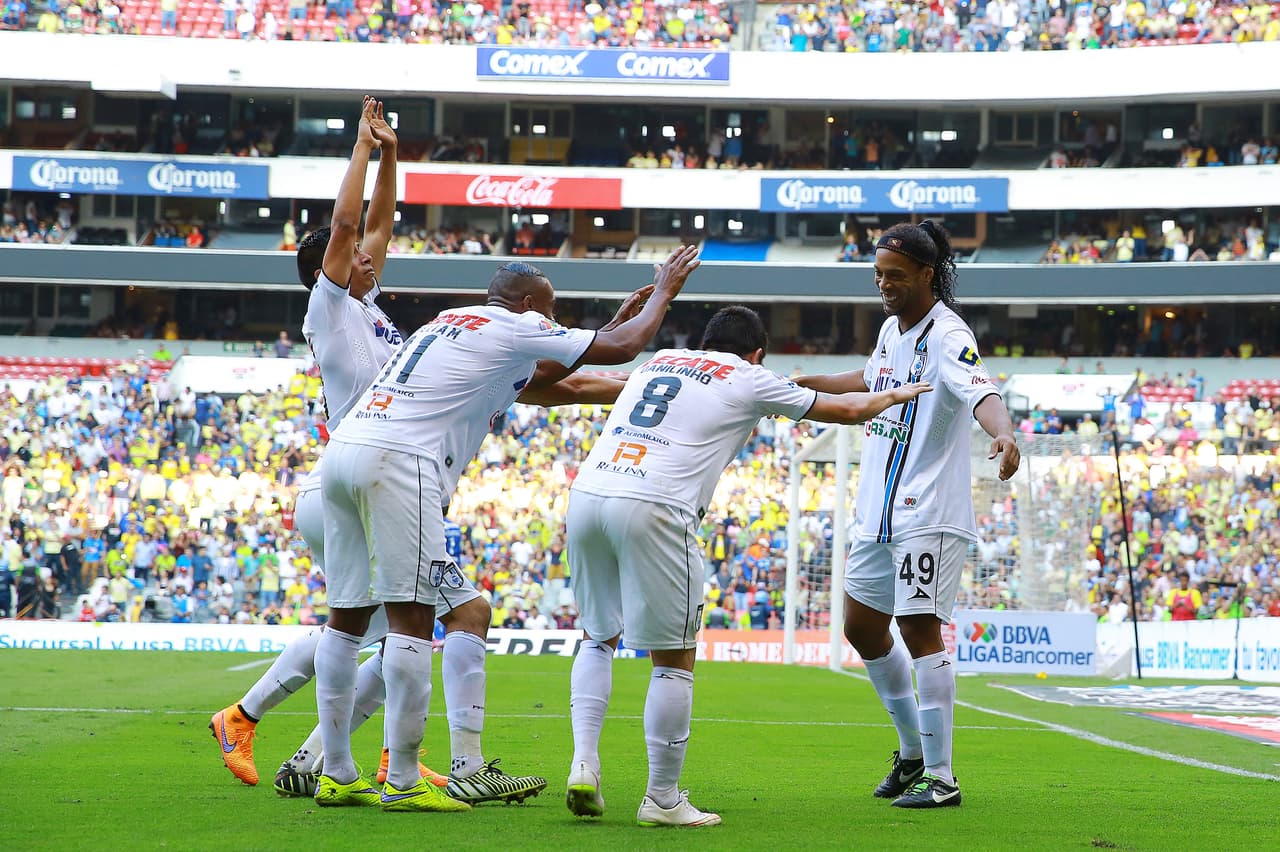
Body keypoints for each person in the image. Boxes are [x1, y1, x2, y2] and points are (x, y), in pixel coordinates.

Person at [211, 97, 544, 808]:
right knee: (449, 618)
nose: (368, 253)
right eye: (356, 252)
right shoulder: (330, 306)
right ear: (331, 266)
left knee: (363, 624)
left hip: (359, 482)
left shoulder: (372, 309)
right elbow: (348, 224)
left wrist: (394, 155)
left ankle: (302, 751)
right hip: (368, 480)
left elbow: (382, 222)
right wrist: (361, 150)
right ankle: (437, 765)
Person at [312, 240, 702, 812]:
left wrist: (613, 320)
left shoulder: (448, 324)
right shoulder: (514, 326)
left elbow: (543, 378)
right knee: (413, 617)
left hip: (345, 452)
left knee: (344, 620)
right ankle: (402, 778)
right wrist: (664, 290)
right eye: (548, 313)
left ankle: (338, 772)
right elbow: (624, 348)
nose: (552, 323)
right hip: (402, 462)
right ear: (524, 305)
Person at [564, 305, 930, 827]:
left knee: (597, 637)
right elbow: (849, 410)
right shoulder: (749, 376)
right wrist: (897, 393)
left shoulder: (662, 359)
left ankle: (584, 763)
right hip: (656, 503)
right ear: (757, 353)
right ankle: (662, 798)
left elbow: (594, 385)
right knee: (673, 659)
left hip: (589, 492)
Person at [796, 220, 1019, 809]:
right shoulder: (892, 330)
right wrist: (797, 385)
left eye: (894, 276)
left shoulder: (948, 333)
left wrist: (1004, 434)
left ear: (927, 274)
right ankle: (912, 752)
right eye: (878, 275)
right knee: (861, 626)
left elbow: (983, 391)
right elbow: (868, 380)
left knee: (919, 629)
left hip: (928, 510)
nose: (884, 285)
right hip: (878, 511)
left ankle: (942, 778)